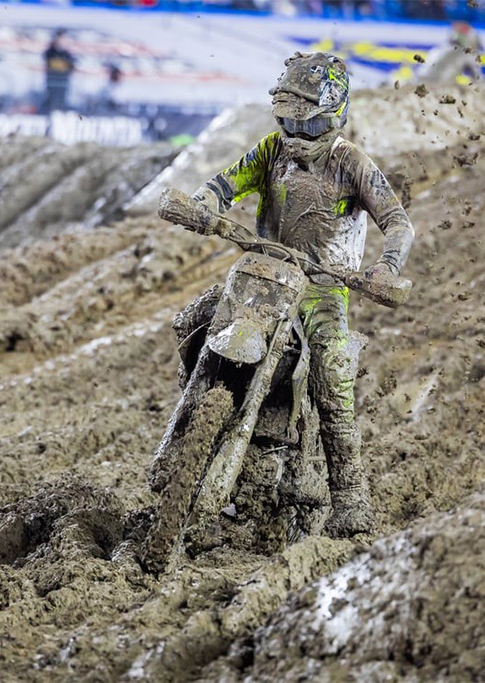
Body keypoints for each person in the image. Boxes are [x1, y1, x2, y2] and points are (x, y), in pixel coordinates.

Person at [188, 52, 415, 536]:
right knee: (194, 323)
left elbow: (398, 222)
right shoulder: (271, 150)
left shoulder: (351, 163)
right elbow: (224, 183)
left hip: (322, 290)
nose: (295, 134)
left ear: (333, 119)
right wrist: (203, 205)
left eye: (306, 125)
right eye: (287, 120)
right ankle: (191, 426)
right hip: (262, 272)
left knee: (333, 366)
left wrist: (386, 267)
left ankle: (351, 497)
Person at [43, 28, 74, 112]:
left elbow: (70, 67)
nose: (62, 40)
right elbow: (50, 64)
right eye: (60, 38)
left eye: (64, 38)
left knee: (61, 102)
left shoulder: (67, 54)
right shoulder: (50, 52)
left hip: (63, 83)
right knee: (50, 102)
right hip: (52, 82)